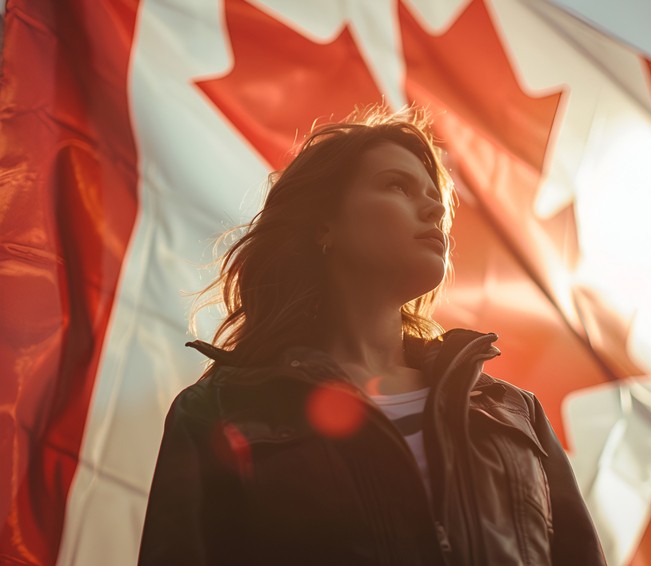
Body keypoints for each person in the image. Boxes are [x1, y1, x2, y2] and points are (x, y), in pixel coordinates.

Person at [138, 107, 605, 566]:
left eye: (434, 197)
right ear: (325, 226)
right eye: (397, 186)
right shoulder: (218, 410)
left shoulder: (512, 412)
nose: (434, 208)